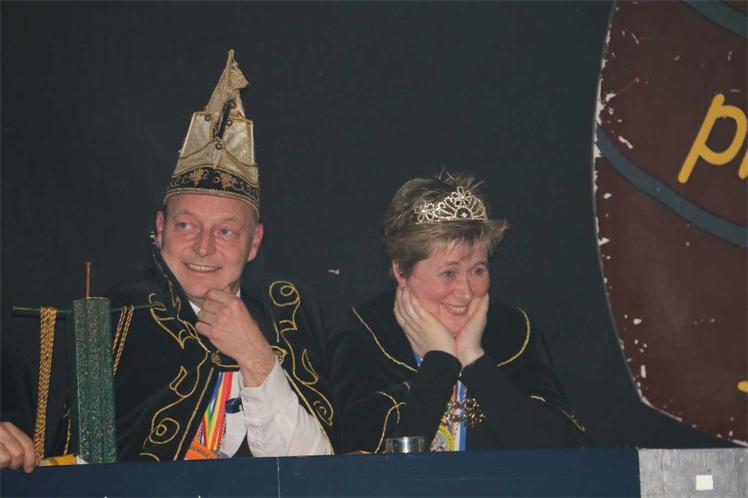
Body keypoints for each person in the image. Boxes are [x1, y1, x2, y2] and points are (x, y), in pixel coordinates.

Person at [0, 50, 336, 470]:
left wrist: (256, 357)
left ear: (254, 243)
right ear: (159, 230)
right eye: (186, 226)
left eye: (226, 231)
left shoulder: (290, 316)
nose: (203, 247)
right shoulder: (117, 319)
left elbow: (318, 473)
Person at [331, 171, 586, 453]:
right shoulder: (365, 335)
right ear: (401, 271)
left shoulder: (514, 331)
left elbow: (565, 456)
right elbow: (369, 468)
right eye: (448, 273)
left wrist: (474, 360)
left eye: (477, 271)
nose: (466, 292)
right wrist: (440, 363)